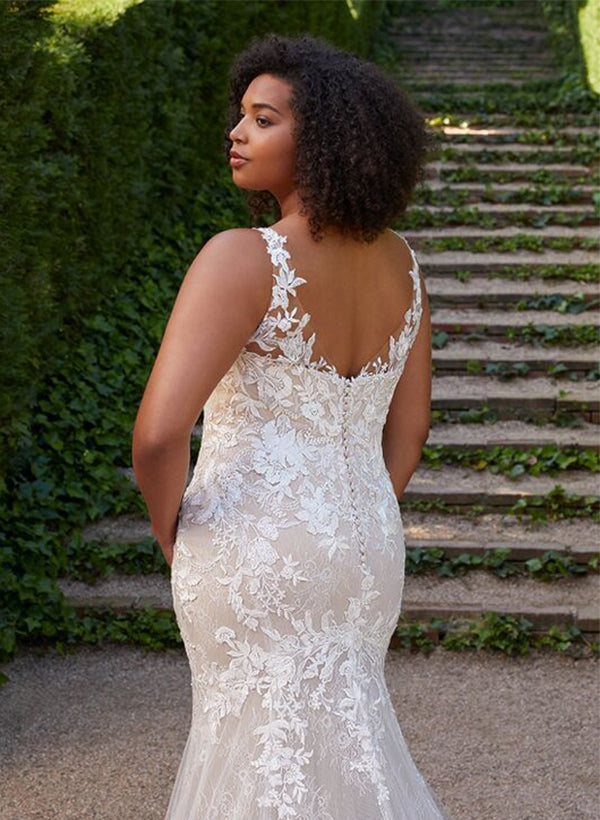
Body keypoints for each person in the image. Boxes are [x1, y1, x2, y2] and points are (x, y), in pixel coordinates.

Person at [132, 30, 450, 820]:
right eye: (241, 115)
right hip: (366, 544)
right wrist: (352, 515)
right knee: (348, 744)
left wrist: (173, 534)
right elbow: (409, 431)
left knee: (255, 756)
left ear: (325, 140)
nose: (236, 132)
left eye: (263, 119)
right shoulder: (403, 264)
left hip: (252, 543)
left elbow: (159, 435)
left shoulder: (241, 257)